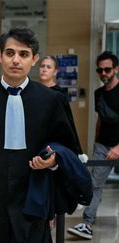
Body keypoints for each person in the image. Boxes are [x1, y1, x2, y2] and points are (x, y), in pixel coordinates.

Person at [0, 28, 80, 242]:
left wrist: (53, 161)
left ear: (34, 59)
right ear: (0, 56)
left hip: (33, 202)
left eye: (23, 54)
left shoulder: (51, 101)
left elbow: (67, 149)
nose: (16, 60)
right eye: (10, 53)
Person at [67, 51, 119, 240]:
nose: (103, 73)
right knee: (95, 184)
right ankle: (87, 224)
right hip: (103, 146)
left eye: (107, 69)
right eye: (100, 70)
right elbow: (100, 120)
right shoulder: (98, 94)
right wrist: (97, 142)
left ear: (116, 69)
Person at [39, 56, 84, 155]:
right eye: (42, 66)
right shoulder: (34, 91)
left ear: (55, 72)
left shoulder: (59, 94)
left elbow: (68, 122)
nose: (44, 69)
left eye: (48, 67)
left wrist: (77, 150)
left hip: (53, 141)